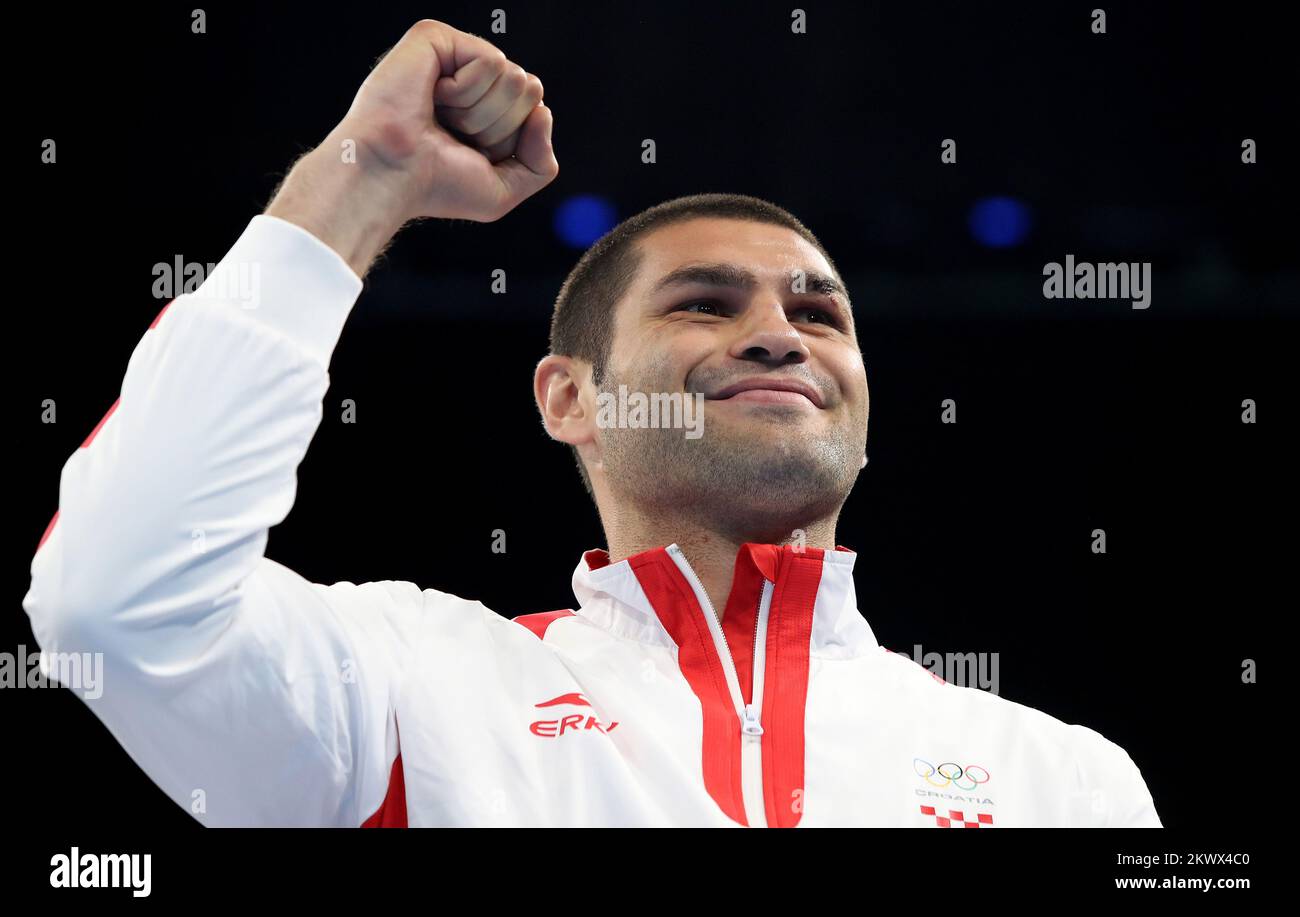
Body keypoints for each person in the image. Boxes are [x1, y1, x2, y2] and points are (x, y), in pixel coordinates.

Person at [23, 19, 1160, 827]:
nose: (780, 334)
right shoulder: (414, 693)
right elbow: (114, 600)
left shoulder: (1061, 779)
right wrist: (358, 182)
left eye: (818, 312)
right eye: (703, 303)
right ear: (571, 398)